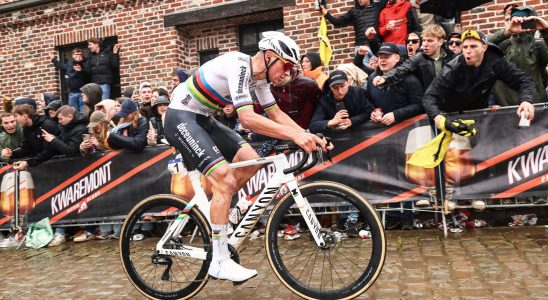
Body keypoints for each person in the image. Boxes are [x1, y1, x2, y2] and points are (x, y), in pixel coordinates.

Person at [164, 31, 327, 283]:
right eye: (286, 65)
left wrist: (308, 134)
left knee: (250, 160)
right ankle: (218, 261)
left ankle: (219, 212)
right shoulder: (240, 65)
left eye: (293, 69)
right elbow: (248, 119)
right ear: (270, 56)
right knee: (226, 179)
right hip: (180, 118)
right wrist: (295, 136)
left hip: (203, 119)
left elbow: (275, 115)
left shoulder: (259, 81)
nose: (288, 73)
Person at [423, 29, 536, 131]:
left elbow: (524, 80)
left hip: (477, 114)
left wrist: (526, 100)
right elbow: (429, 97)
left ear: (484, 48)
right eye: (465, 47)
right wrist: (437, 117)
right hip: (450, 114)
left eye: (473, 46)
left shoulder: (495, 61)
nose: (468, 51)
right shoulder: (452, 68)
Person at [251, 67, 322, 156]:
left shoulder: (308, 84)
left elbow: (320, 107)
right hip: (283, 135)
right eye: (272, 75)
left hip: (306, 133)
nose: (277, 77)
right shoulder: (268, 88)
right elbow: (262, 110)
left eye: (282, 71)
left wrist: (314, 128)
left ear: (288, 71)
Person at [489, 6, 548, 106]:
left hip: (533, 103)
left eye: (525, 21)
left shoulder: (538, 46)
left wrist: (546, 30)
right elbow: (481, 47)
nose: (521, 24)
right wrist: (506, 32)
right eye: (516, 21)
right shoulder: (504, 44)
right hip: (505, 104)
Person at [373, 24, 455, 92]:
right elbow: (402, 69)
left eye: (430, 41)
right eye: (424, 40)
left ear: (440, 42)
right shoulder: (419, 57)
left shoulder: (451, 57)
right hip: (428, 102)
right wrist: (385, 78)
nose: (425, 44)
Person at [367, 43, 424, 125]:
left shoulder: (410, 79)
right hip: (381, 130)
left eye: (387, 57)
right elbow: (369, 103)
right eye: (380, 57)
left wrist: (396, 115)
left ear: (397, 58)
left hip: (408, 128)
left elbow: (419, 105)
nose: (382, 60)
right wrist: (373, 112)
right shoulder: (372, 79)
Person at [321, 0, 387, 64]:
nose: (359, 0)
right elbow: (338, 22)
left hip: (375, 46)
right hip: (361, 47)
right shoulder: (354, 11)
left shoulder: (377, 7)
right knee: (362, 73)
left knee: (379, 72)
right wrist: (326, 13)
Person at [309, 70, 373, 133]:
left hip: (359, 134)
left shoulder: (358, 93)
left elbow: (368, 112)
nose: (340, 91)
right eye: (335, 88)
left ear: (348, 83)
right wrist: (331, 122)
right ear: (330, 87)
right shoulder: (324, 101)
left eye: (342, 86)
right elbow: (313, 126)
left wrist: (352, 121)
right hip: (336, 137)